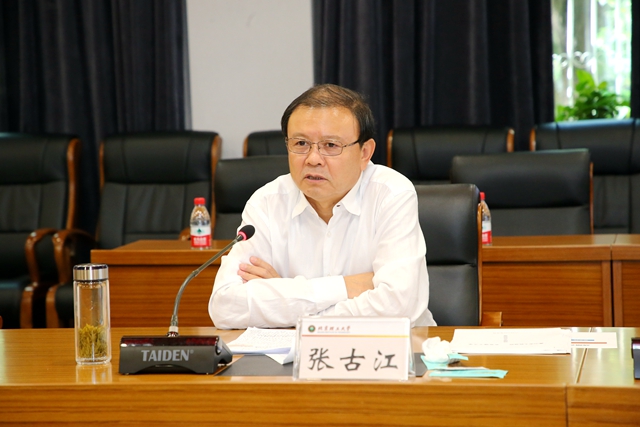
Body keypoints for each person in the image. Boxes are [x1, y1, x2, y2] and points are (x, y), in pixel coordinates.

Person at [209, 83, 435, 329]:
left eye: (331, 145)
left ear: (365, 153)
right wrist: (345, 287)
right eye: (300, 144)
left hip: (391, 348)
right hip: (293, 352)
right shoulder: (266, 202)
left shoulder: (391, 194)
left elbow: (399, 307)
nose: (313, 159)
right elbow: (224, 306)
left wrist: (285, 295)